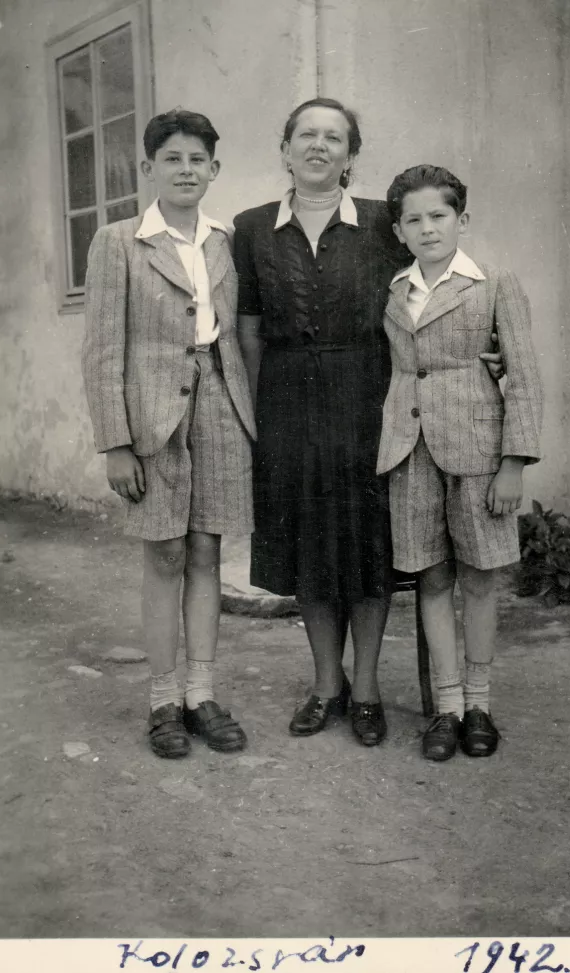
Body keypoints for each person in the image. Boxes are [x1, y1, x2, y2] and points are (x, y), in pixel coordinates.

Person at [234, 99, 504, 747]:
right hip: (288, 403)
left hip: (372, 401)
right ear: (285, 148)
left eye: (334, 137)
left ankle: (367, 691)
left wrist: (481, 350)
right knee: (310, 550)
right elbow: (248, 330)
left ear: (351, 154)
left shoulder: (384, 221)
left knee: (368, 549)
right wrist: (259, 414)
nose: (319, 146)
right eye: (306, 135)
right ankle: (326, 685)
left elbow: (437, 286)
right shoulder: (251, 227)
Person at [82, 110, 256, 759]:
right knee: (163, 555)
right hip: (152, 419)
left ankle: (201, 693)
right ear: (148, 168)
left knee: (207, 551)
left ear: (214, 170)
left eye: (197, 160)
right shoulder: (119, 241)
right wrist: (116, 442)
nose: (186, 170)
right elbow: (102, 349)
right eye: (172, 159)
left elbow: (238, 332)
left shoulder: (225, 240)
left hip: (218, 407)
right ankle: (162, 700)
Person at [378, 164, 543, 761]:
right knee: (430, 576)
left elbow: (523, 376)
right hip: (409, 449)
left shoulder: (493, 282)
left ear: (461, 219)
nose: (427, 228)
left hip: (478, 450)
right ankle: (446, 707)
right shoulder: (395, 289)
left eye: (439, 216)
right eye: (414, 220)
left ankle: (478, 704)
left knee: (478, 576)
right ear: (399, 231)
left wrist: (513, 462)